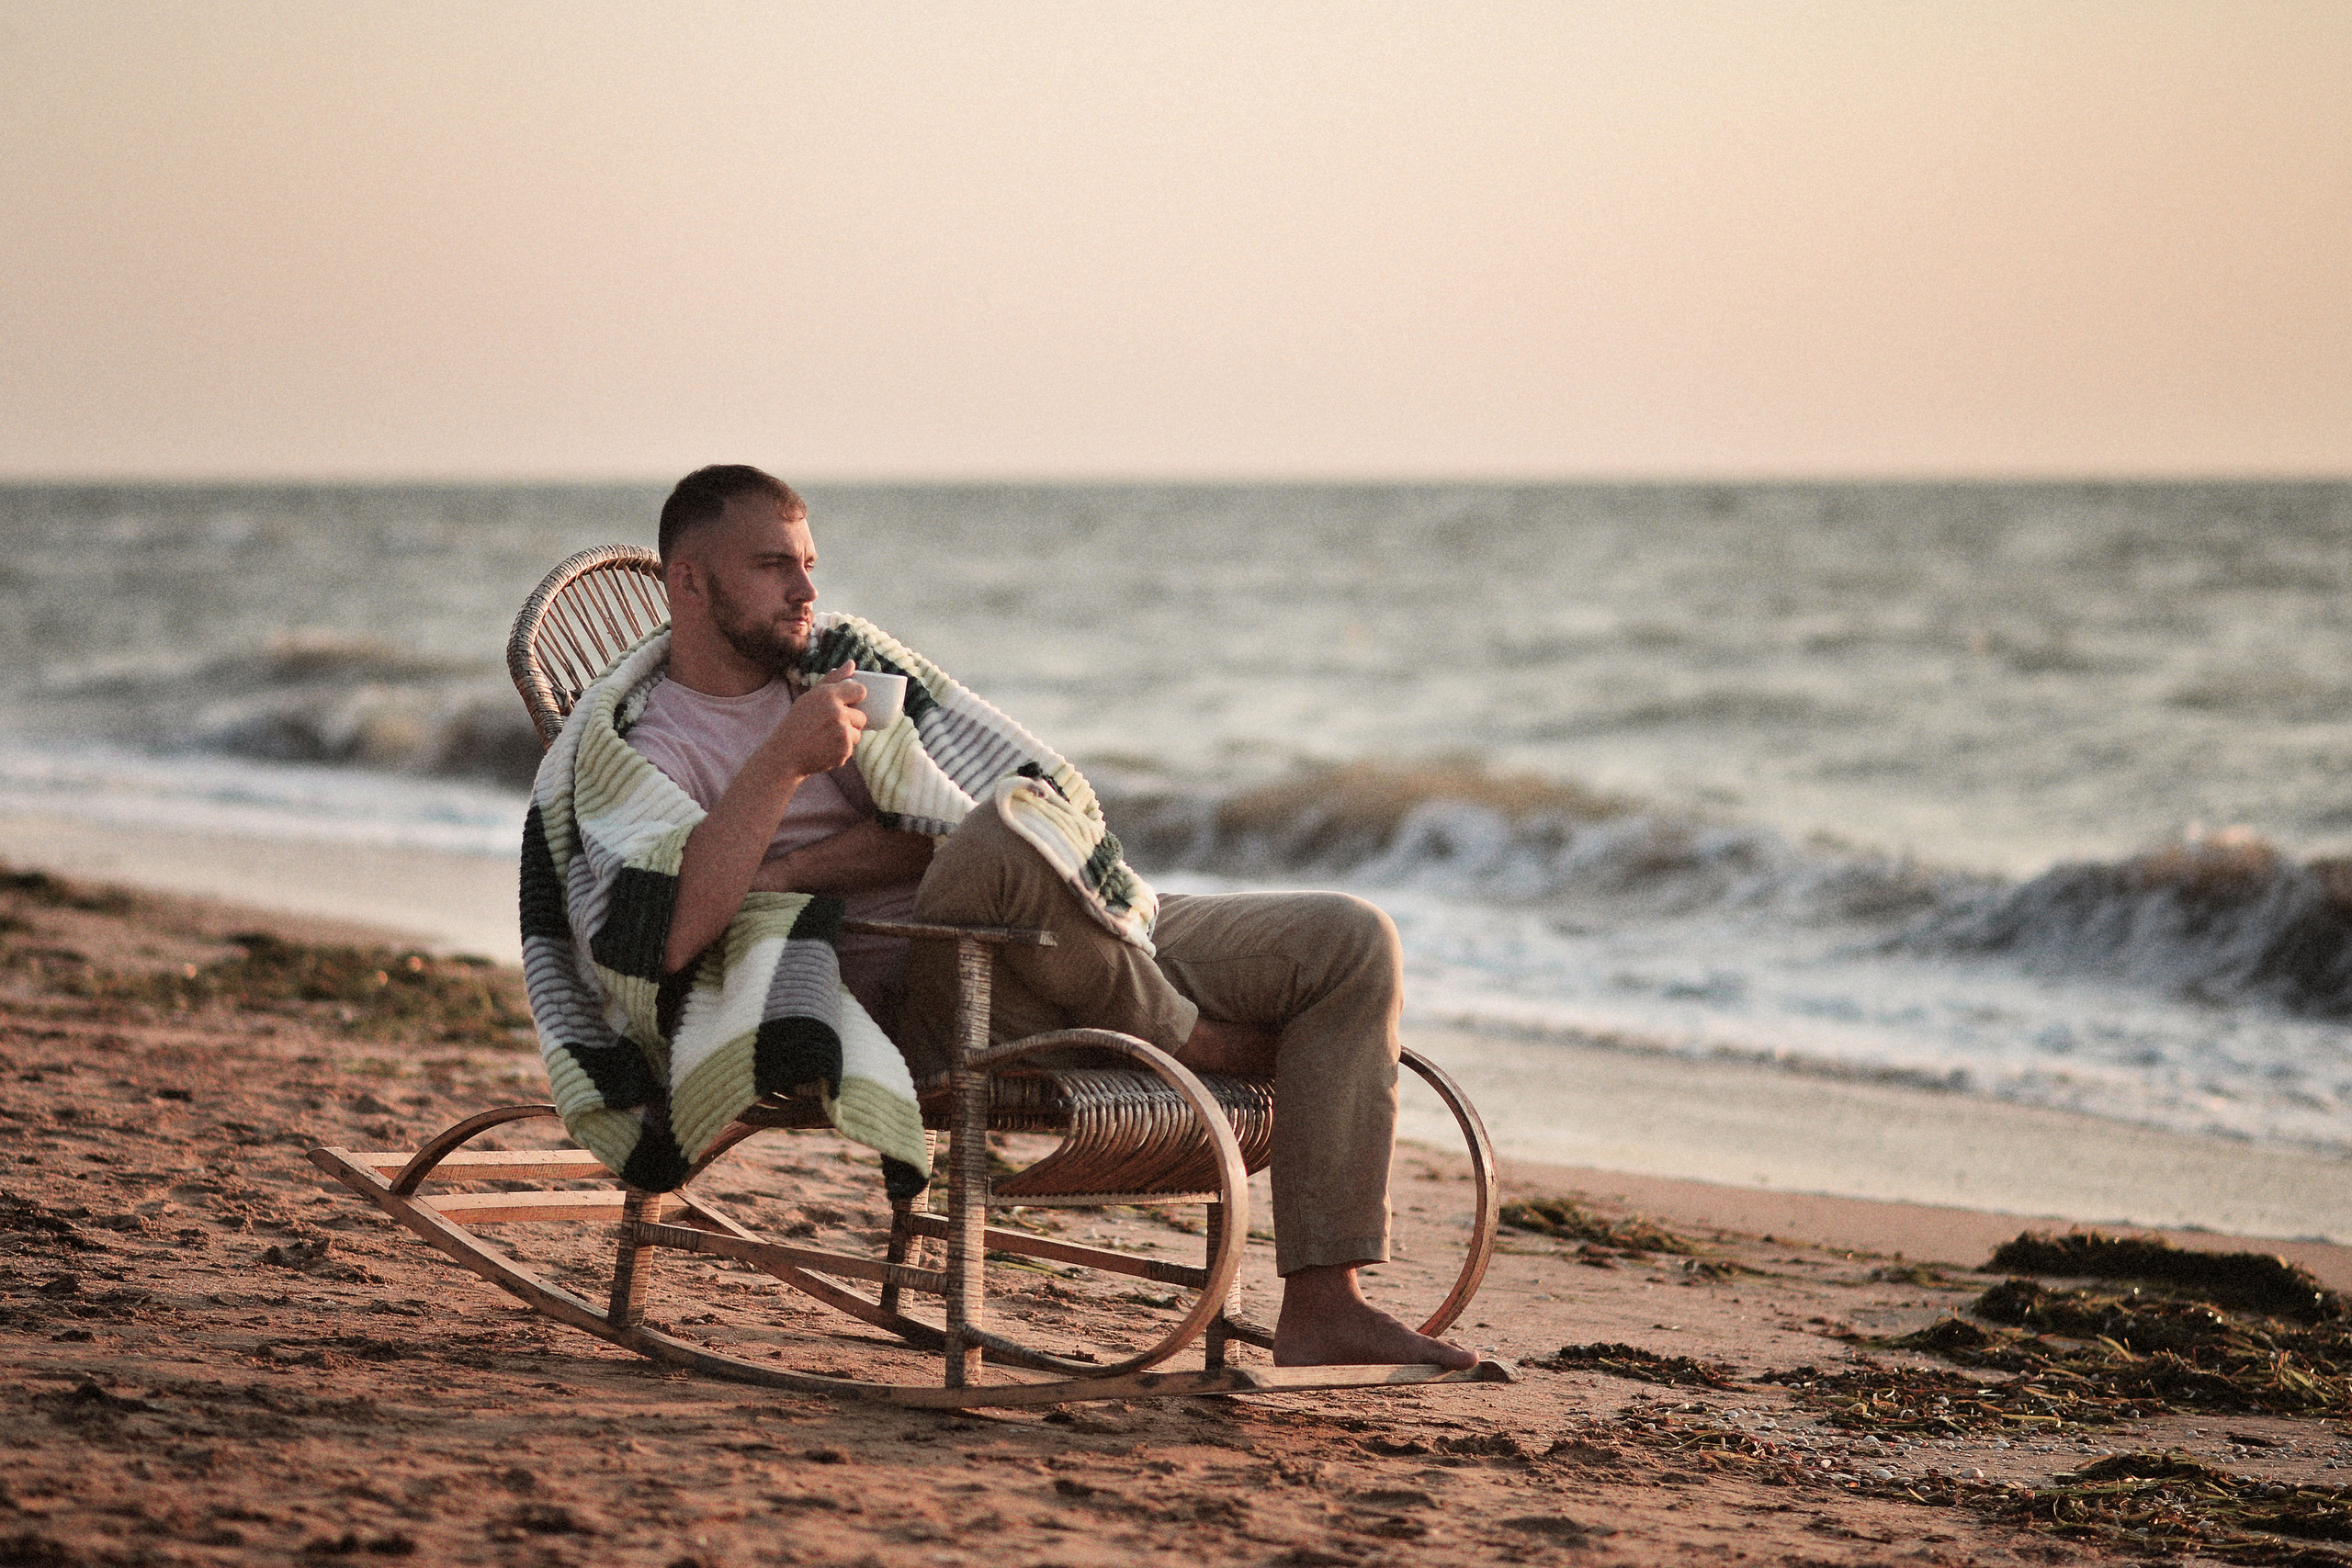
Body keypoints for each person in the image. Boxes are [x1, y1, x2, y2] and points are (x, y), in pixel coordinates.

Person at [625, 463, 1474, 1370]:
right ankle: (1192, 1040)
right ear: (689, 580)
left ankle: (1323, 1303)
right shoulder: (653, 745)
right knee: (1002, 836)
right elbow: (671, 935)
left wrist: (782, 869)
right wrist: (786, 763)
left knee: (1345, 939)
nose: (806, 590)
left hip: (1069, 925)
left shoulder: (842, 673)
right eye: (771, 566)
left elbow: (930, 825)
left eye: (809, 562)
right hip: (937, 993)